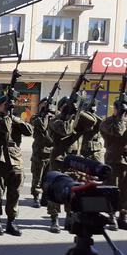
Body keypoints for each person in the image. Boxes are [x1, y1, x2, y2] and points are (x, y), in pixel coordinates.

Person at [45, 95, 96, 233]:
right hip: (58, 159)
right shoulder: (55, 120)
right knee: (55, 188)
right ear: (61, 108)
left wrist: (78, 110)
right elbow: (65, 130)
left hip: (73, 159)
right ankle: (54, 218)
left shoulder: (76, 119)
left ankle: (69, 215)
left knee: (73, 189)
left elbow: (92, 122)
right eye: (66, 106)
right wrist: (66, 115)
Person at [0, 96, 34, 236]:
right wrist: (5, 115)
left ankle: (11, 222)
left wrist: (13, 117)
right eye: (6, 105)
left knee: (14, 194)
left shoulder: (15, 119)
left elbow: (29, 131)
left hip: (15, 161)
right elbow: (2, 126)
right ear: (0, 106)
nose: (8, 107)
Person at [100, 97, 127, 230]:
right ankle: (111, 216)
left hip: (126, 161)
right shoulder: (107, 122)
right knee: (113, 189)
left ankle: (123, 216)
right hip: (114, 160)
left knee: (125, 191)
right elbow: (118, 132)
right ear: (115, 109)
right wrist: (120, 117)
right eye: (119, 109)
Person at [30, 98, 54, 207]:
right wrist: (44, 115)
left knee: (48, 178)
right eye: (43, 105)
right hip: (39, 153)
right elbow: (40, 126)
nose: (45, 107)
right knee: (37, 177)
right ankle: (36, 197)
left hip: (51, 153)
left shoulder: (54, 118)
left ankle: (45, 197)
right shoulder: (36, 117)